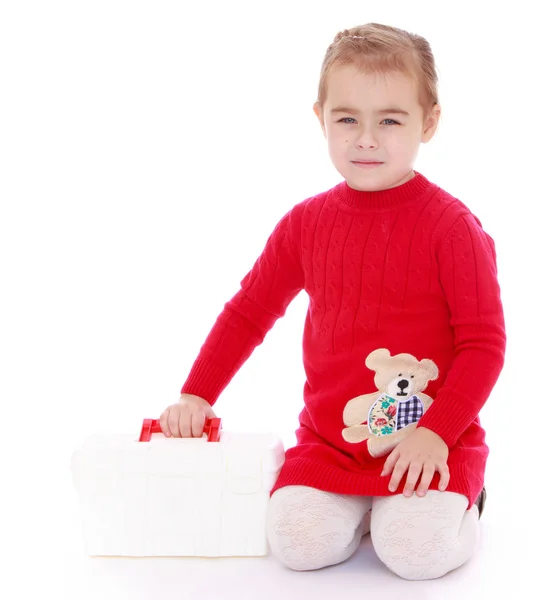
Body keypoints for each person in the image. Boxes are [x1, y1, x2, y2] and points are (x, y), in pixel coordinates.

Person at [159, 22, 506, 580]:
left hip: (429, 438)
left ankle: (464, 499)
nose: (366, 139)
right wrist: (197, 394)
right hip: (333, 443)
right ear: (320, 118)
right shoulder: (305, 224)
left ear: (430, 122)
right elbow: (249, 312)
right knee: (297, 544)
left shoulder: (452, 229)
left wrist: (437, 432)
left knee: (416, 555)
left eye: (390, 120)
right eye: (348, 119)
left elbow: (483, 345)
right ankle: (365, 509)